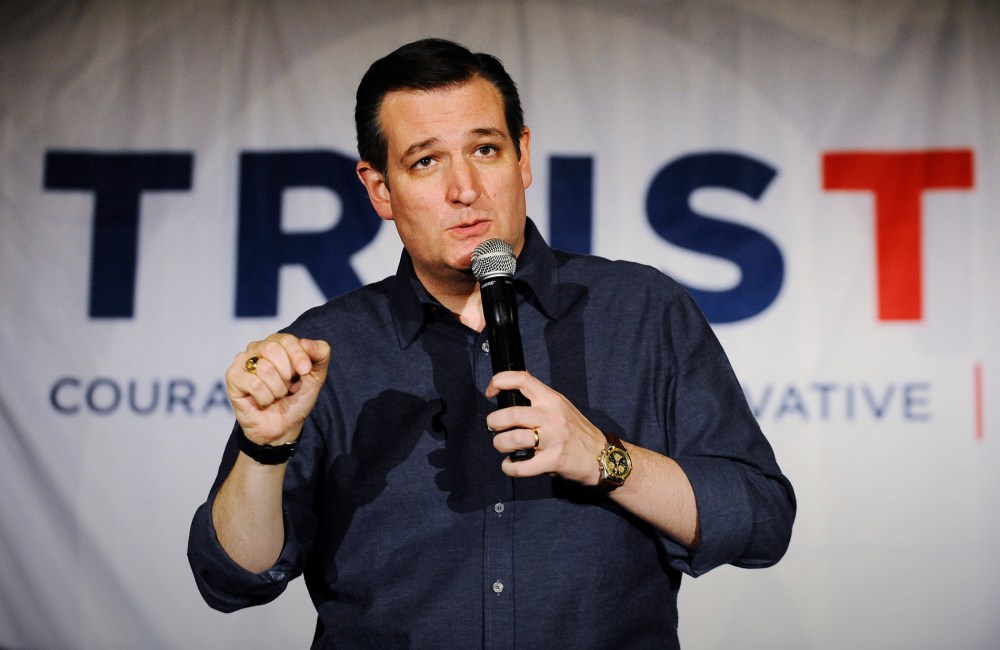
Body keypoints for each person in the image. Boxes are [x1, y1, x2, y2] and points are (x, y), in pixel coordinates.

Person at [188, 38, 795, 648]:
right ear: (379, 190)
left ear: (522, 157)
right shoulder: (326, 349)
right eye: (426, 161)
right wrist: (263, 451)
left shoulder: (641, 310)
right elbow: (231, 580)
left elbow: (761, 522)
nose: (465, 188)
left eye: (485, 149)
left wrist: (607, 459)